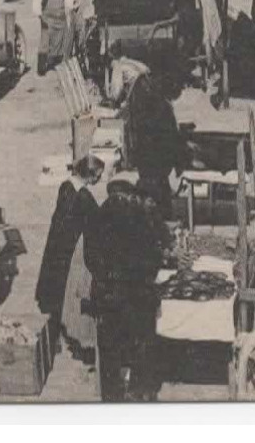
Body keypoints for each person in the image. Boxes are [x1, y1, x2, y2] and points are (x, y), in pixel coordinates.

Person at [84, 170, 166, 401]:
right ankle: (141, 391)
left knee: (110, 348)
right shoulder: (139, 216)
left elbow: (90, 257)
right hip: (137, 294)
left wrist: (106, 276)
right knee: (141, 344)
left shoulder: (97, 215)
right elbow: (153, 256)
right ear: (129, 192)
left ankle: (112, 396)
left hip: (108, 295)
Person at [36, 155, 105, 345]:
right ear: (90, 176)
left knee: (54, 288)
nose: (99, 179)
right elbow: (97, 219)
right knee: (64, 289)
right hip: (68, 249)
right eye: (98, 176)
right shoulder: (83, 195)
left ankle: (54, 330)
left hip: (56, 245)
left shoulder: (66, 186)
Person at [122, 74, 184, 213]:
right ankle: (157, 208)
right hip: (152, 155)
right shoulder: (160, 105)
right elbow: (171, 135)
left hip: (147, 154)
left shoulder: (144, 88)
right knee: (155, 185)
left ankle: (157, 204)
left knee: (156, 183)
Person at [104, 41, 150, 109]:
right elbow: (146, 70)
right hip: (148, 82)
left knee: (123, 107)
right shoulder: (127, 61)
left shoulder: (117, 66)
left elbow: (116, 90)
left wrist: (112, 99)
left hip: (138, 85)